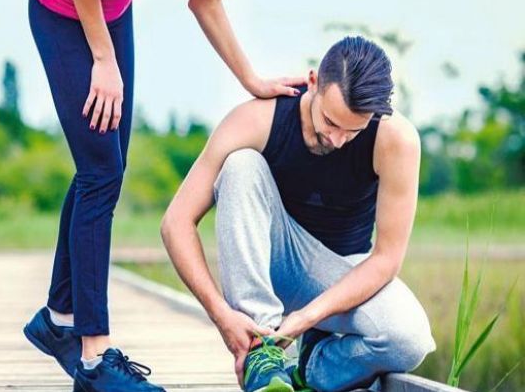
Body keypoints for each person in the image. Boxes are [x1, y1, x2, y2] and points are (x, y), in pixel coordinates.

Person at [22, 0, 305, 391]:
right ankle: (94, 360)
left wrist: (251, 80)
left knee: (103, 170)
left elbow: (204, 1)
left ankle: (59, 319)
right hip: (64, 11)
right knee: (100, 173)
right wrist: (103, 59)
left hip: (114, 13)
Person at [161, 36, 437, 392]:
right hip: (271, 262)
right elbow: (175, 223)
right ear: (312, 83)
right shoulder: (256, 119)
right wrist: (220, 313)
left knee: (409, 339)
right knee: (240, 165)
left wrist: (307, 319)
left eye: (354, 130)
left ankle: (311, 371)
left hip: (340, 273)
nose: (338, 139)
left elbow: (386, 260)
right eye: (330, 122)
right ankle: (263, 353)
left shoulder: (396, 140)